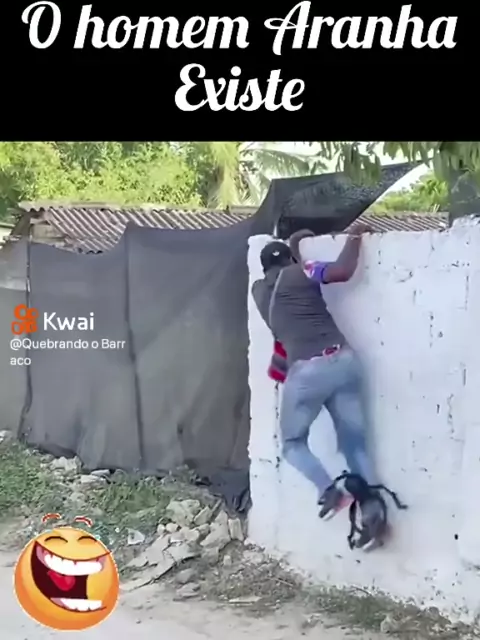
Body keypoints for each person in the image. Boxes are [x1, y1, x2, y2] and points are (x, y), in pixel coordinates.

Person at [251, 225, 386, 550]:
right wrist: (355, 237)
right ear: (291, 260)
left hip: (307, 375)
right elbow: (341, 271)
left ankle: (329, 491)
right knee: (354, 443)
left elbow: (285, 277)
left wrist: (294, 247)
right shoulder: (301, 272)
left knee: (293, 443)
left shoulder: (258, 292)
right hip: (344, 362)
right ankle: (372, 509)